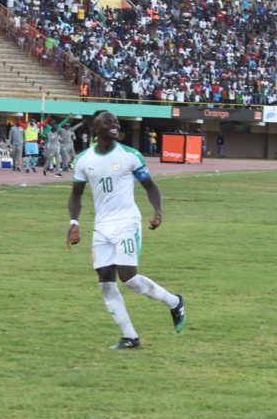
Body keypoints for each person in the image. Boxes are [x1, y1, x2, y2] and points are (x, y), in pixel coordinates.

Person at [67, 110, 187, 350]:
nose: (114, 124)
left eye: (116, 122)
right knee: (106, 282)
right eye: (108, 121)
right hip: (101, 227)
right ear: (95, 130)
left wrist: (158, 212)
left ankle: (174, 302)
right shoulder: (83, 160)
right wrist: (74, 223)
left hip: (127, 222)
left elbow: (150, 186)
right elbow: (76, 194)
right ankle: (130, 336)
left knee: (128, 277)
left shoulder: (131, 156)